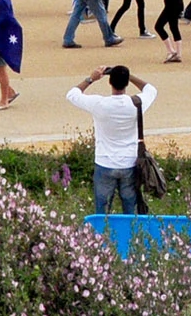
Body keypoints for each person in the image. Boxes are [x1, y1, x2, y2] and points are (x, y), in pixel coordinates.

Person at [65, 63, 157, 214]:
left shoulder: (99, 104)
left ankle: (102, 236)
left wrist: (91, 78)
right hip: (130, 162)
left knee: (102, 210)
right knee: (130, 210)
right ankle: (131, 236)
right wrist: (128, 75)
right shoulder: (137, 104)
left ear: (110, 82)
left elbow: (72, 94)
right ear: (127, 83)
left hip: (104, 162)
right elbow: (150, 89)